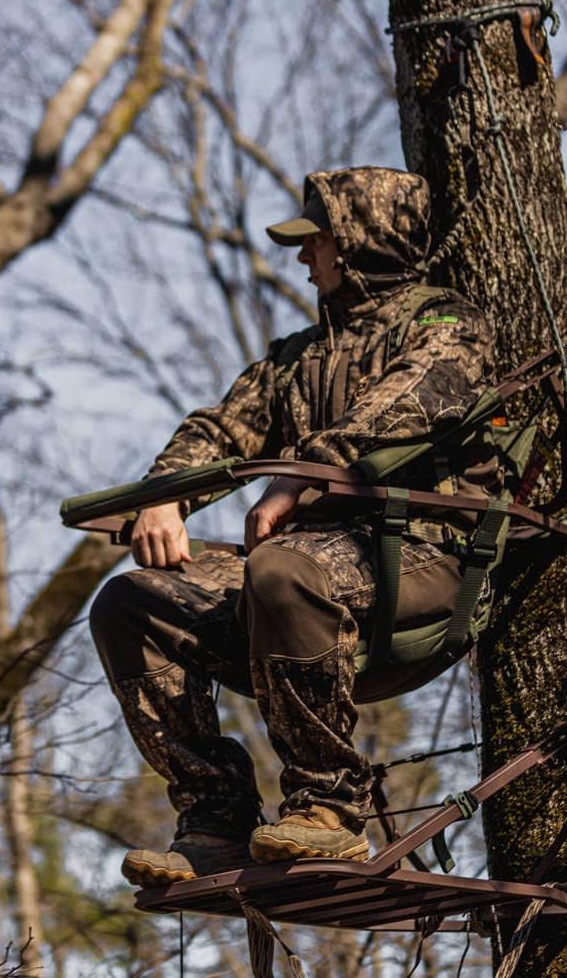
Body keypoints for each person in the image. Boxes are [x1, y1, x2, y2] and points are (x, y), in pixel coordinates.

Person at [89, 166, 499, 887]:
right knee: (132, 601)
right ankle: (215, 818)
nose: (303, 256)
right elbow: (220, 428)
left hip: (422, 557)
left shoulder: (447, 324)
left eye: (317, 241)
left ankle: (330, 810)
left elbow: (402, 404)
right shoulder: (296, 358)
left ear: (359, 243)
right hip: (309, 566)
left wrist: (299, 477)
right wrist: (164, 498)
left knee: (281, 567)